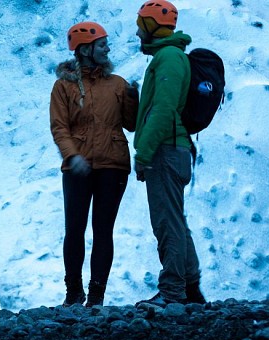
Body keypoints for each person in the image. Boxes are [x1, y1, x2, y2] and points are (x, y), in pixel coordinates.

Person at [49, 22, 139, 307]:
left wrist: (132, 100)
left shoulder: (118, 84)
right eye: (102, 44)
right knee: (74, 229)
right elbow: (59, 127)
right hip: (78, 167)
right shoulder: (63, 86)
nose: (107, 49)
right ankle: (73, 292)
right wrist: (72, 156)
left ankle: (96, 296)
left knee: (103, 230)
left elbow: (132, 124)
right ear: (85, 49)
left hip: (113, 165)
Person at [132, 0, 206, 307]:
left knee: (167, 223)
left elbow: (162, 111)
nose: (137, 32)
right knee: (175, 220)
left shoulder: (170, 58)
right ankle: (190, 292)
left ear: (151, 27)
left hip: (166, 149)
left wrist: (143, 153)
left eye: (141, 25)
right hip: (172, 148)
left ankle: (173, 292)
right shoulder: (168, 57)